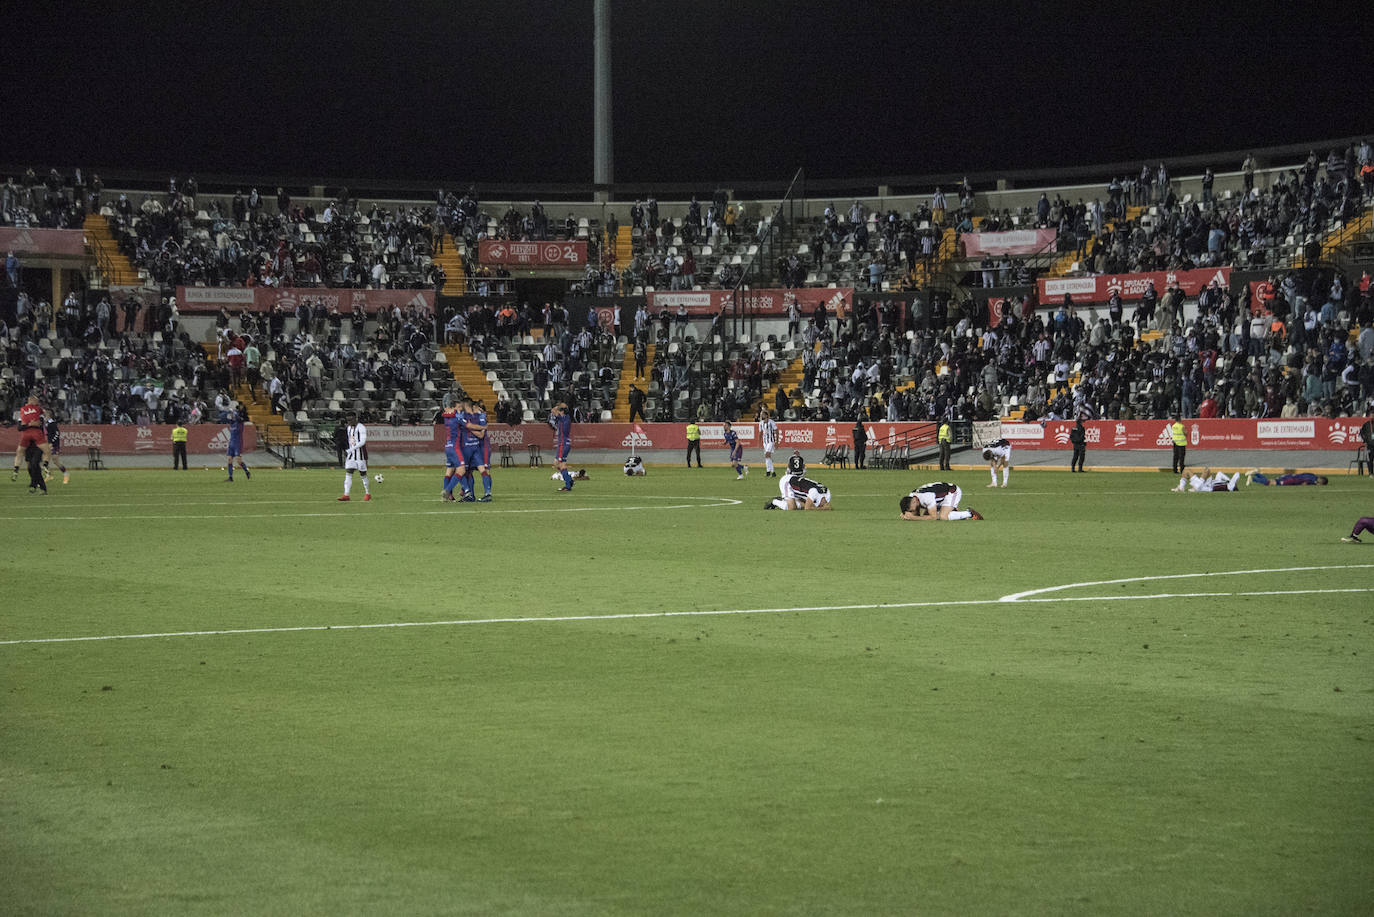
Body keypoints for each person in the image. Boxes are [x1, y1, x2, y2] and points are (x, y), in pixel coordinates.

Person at [765, 453, 830, 510]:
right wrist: (822, 509)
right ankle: (774, 501)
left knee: (801, 505)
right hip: (787, 481)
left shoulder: (826, 494)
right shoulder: (816, 492)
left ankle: (787, 500)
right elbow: (808, 508)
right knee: (792, 507)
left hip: (796, 481)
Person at [458, 396, 492, 502]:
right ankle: (470, 494)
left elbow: (481, 435)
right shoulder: (469, 416)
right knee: (469, 471)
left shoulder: (479, 416)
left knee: (484, 469)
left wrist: (471, 429)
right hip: (474, 446)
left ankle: (487, 493)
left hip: (480, 446)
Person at [10, 394, 51, 480]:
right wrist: (33, 423)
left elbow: (20, 427)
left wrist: (28, 424)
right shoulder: (38, 409)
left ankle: (16, 469)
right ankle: (45, 465)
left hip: (26, 435)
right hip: (36, 434)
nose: (37, 402)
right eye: (36, 401)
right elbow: (44, 418)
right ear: (32, 401)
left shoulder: (21, 410)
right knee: (47, 451)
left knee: (20, 452)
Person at [338, 410, 371, 501]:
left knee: (363, 474)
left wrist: (351, 449)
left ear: (355, 418)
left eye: (351, 420)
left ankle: (367, 493)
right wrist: (349, 450)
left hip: (360, 454)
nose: (349, 422)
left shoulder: (361, 427)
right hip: (351, 455)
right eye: (347, 420)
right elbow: (351, 440)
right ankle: (346, 495)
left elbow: (363, 442)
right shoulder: (349, 428)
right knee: (348, 473)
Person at [899, 481, 971, 520]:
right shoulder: (912, 497)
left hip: (952, 492)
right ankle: (953, 511)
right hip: (939, 497)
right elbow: (918, 514)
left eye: (912, 510)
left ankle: (970, 513)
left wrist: (913, 518)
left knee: (943, 517)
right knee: (926, 516)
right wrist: (905, 515)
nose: (913, 512)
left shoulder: (926, 497)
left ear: (914, 502)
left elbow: (934, 517)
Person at [440, 402, 463, 502]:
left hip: (448, 446)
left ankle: (447, 496)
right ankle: (447, 491)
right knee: (461, 470)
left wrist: (449, 411)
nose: (460, 409)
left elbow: (445, 413)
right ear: (453, 408)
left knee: (449, 471)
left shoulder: (447, 418)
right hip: (455, 447)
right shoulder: (456, 418)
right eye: (458, 407)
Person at [550, 402, 575, 491]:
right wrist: (562, 407)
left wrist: (559, 406)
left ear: (562, 411)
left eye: (560, 410)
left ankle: (568, 484)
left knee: (559, 464)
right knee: (558, 463)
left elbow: (553, 410)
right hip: (565, 444)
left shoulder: (563, 418)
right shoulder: (566, 418)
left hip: (562, 445)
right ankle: (569, 480)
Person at [224, 405, 252, 483]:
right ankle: (230, 477)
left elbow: (241, 418)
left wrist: (236, 413)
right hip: (231, 443)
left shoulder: (239, 423)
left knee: (239, 461)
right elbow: (228, 418)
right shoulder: (232, 424)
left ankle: (247, 471)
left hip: (237, 443)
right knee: (229, 460)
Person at [43, 413, 70, 484]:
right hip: (46, 444)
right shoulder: (45, 423)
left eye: (45, 415)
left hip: (54, 445)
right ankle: (49, 475)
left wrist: (51, 442)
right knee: (44, 460)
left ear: (49, 416)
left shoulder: (52, 423)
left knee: (55, 460)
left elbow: (57, 434)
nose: (44, 416)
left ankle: (66, 474)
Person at [1172, 467, 1239, 493]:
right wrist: (1228, 480)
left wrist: (1231, 481)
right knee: (1186, 470)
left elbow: (1237, 474)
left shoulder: (1230, 486)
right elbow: (1219, 473)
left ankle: (1197, 487)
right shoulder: (1226, 482)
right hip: (1204, 484)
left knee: (1207, 470)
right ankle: (1181, 488)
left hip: (1206, 487)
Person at [759, 409, 779, 476]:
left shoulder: (771, 422)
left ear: (766, 415)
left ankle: (772, 471)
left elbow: (776, 431)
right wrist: (759, 442)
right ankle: (769, 471)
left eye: (763, 414)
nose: (761, 416)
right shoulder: (761, 423)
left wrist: (776, 441)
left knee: (767, 454)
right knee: (767, 456)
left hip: (771, 441)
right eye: (761, 415)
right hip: (765, 442)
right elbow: (760, 433)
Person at [1245, 471, 1329, 486]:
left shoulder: (1312, 474)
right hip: (1290, 480)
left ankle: (1256, 473)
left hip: (1290, 476)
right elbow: (1304, 483)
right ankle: (1253, 479)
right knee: (1270, 483)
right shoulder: (1312, 481)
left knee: (1270, 481)